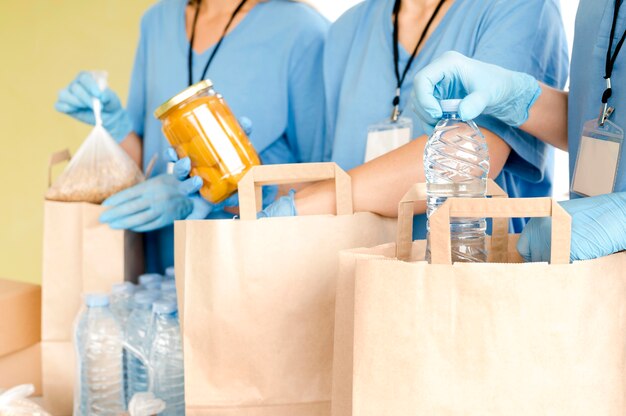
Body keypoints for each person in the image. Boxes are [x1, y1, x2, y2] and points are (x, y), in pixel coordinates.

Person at [243, 0, 569, 239]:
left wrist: (326, 197)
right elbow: (321, 175)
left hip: (465, 284)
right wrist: (245, 189)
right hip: (348, 278)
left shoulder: (521, 9)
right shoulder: (346, 30)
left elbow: (464, 163)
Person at [54, 0, 328, 272]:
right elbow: (144, 162)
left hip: (249, 270)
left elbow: (325, 186)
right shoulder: (157, 20)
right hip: (159, 270)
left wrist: (235, 189)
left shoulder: (302, 31)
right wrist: (116, 126)